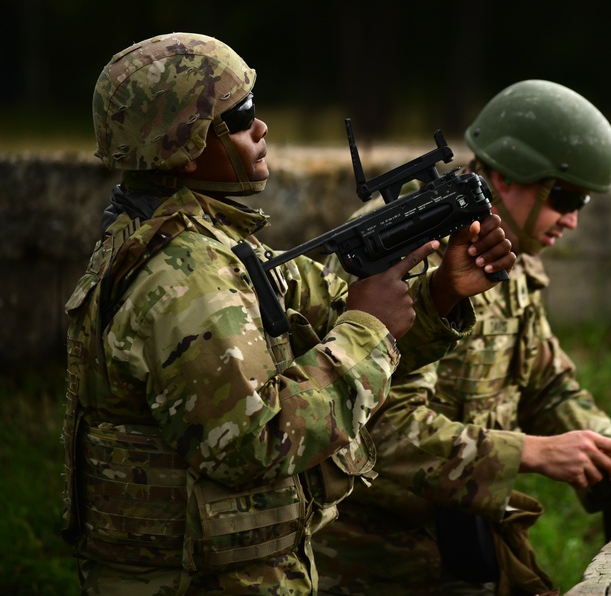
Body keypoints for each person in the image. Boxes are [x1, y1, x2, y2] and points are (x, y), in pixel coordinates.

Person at [59, 32, 515, 596]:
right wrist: (366, 332)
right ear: (186, 143)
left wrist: (442, 293)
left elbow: (323, 309)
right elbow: (251, 443)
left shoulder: (205, 241)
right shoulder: (183, 277)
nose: (262, 128)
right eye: (242, 115)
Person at [312, 79, 611, 596]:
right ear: (503, 176)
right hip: (376, 565)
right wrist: (530, 454)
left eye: (583, 200)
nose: (574, 219)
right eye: (564, 196)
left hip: (466, 546)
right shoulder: (400, 249)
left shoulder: (508, 249)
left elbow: (545, 381)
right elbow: (371, 429)